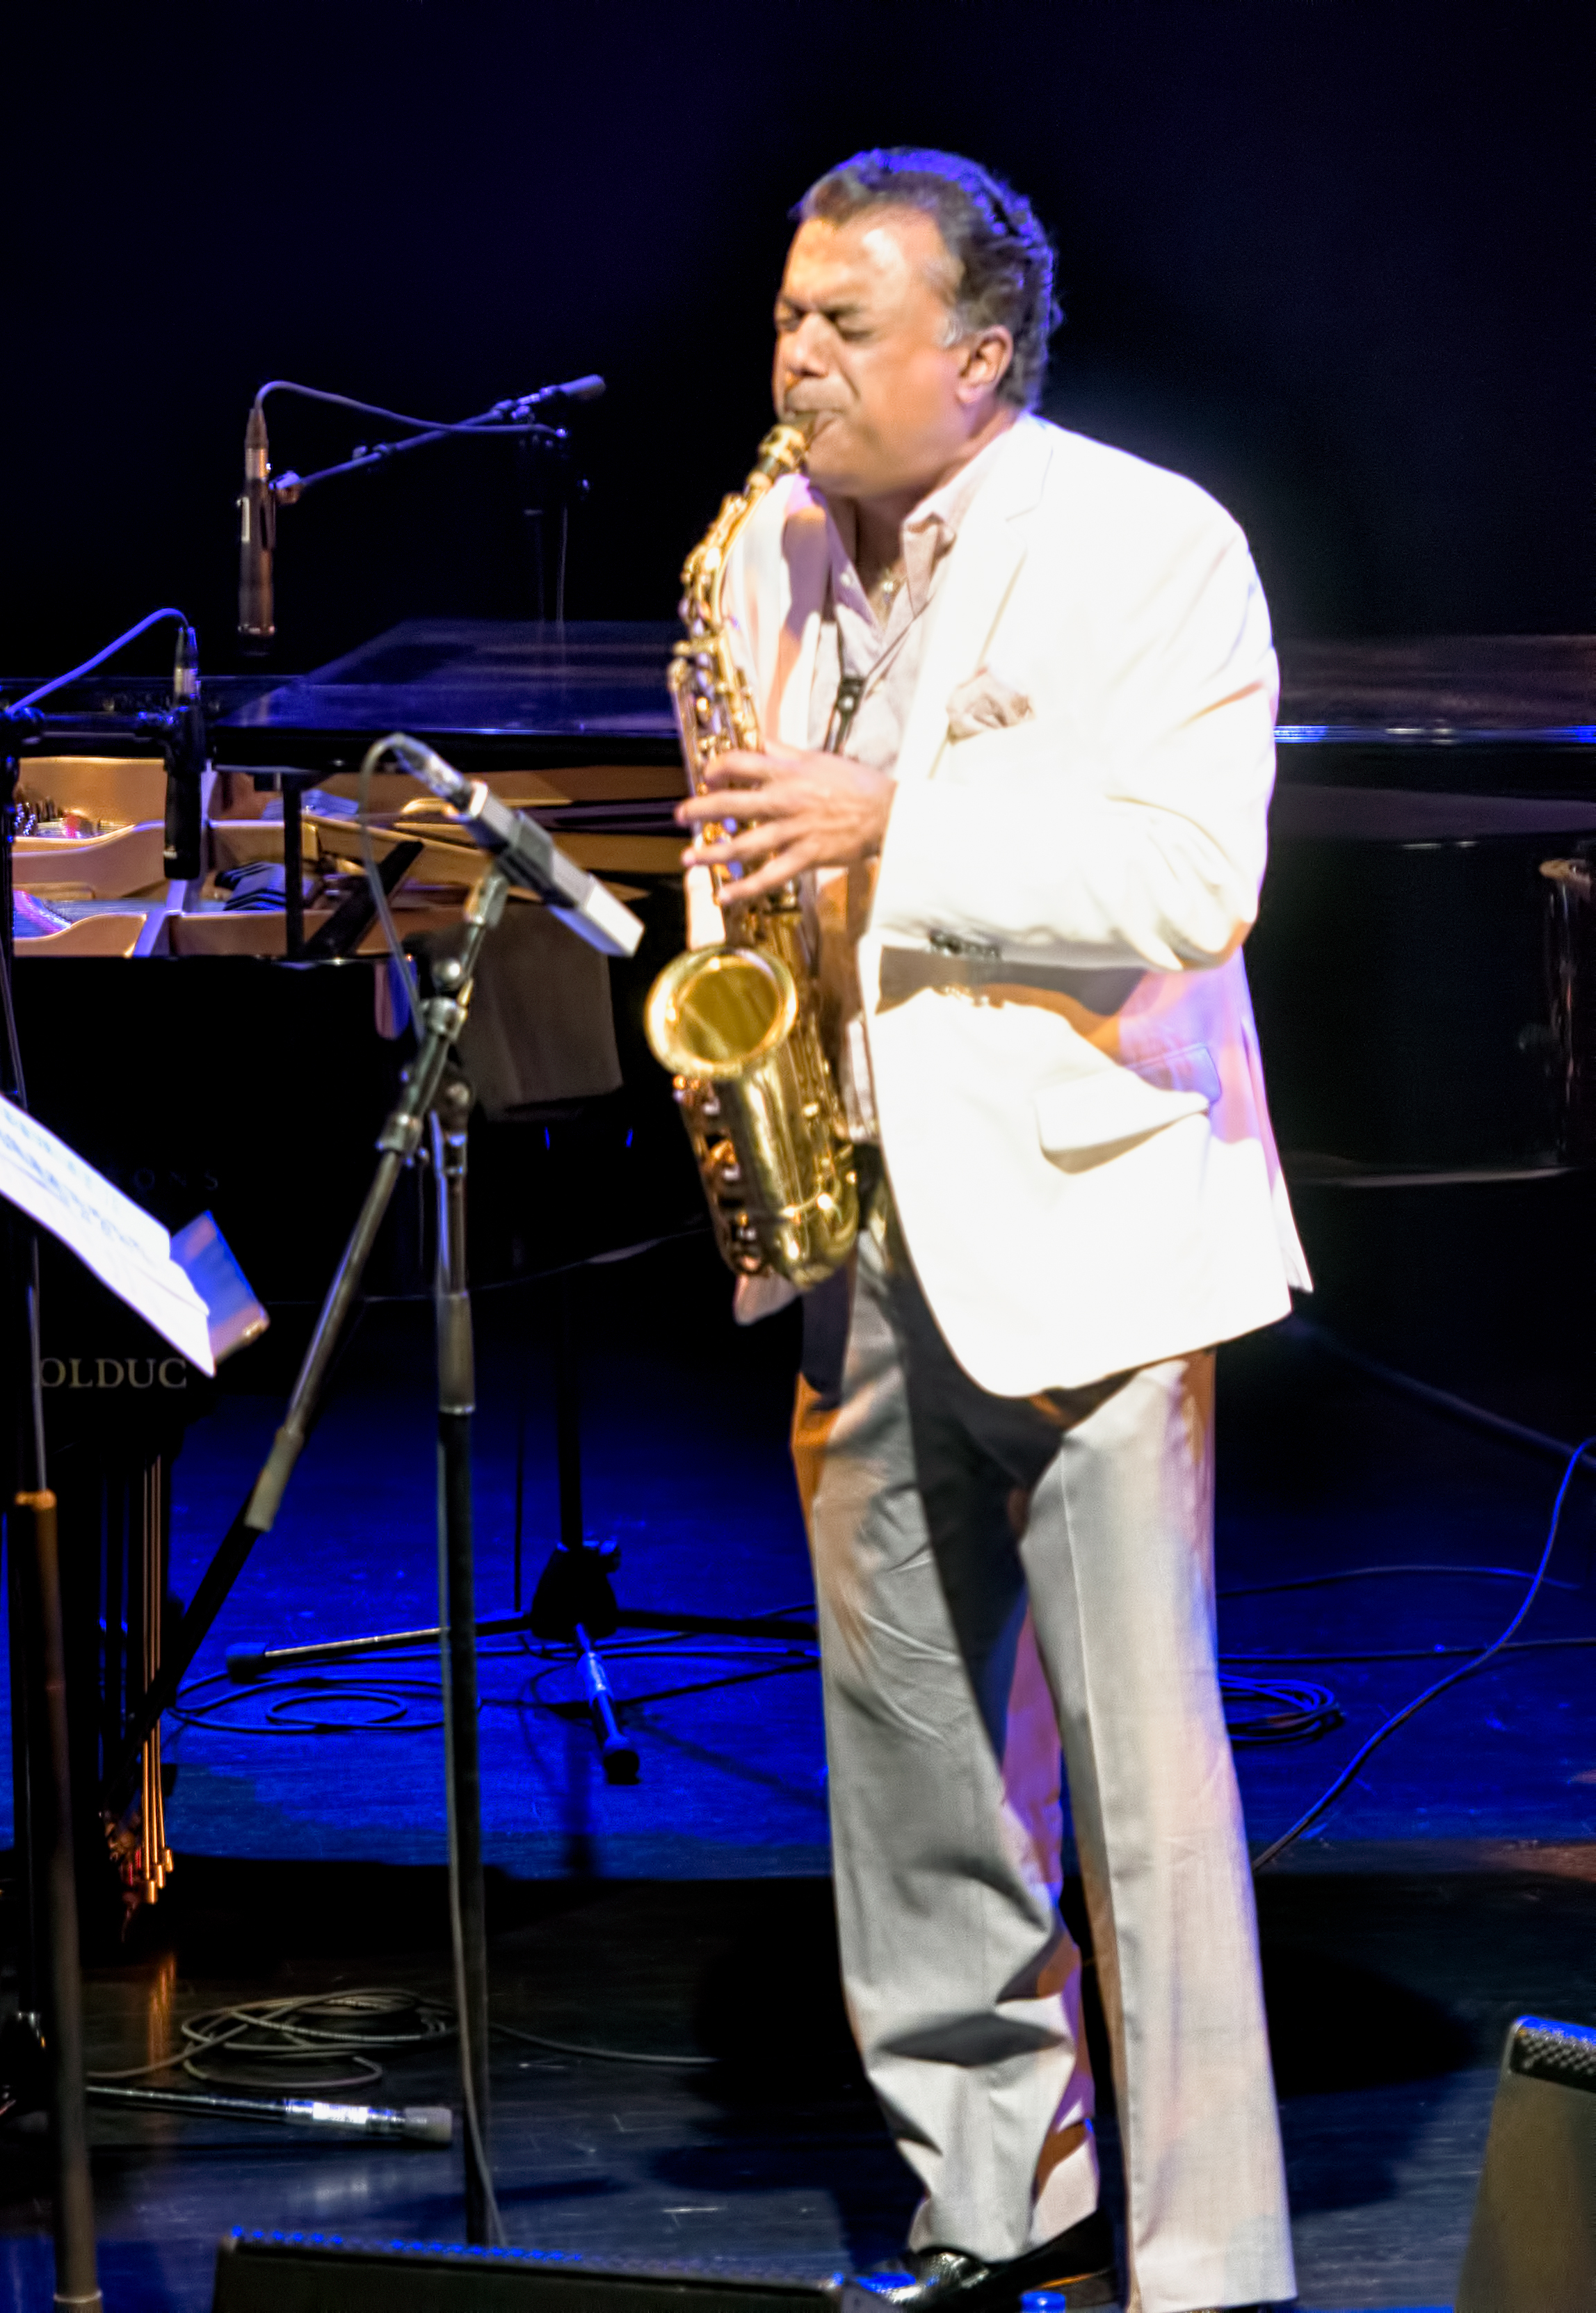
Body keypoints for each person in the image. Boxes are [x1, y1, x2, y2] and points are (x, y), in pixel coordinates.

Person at [672, 153, 1306, 2313]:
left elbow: (1187, 881)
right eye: (787, 317)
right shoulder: (760, 546)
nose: (798, 359)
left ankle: (1207, 2258)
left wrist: (897, 832)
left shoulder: (1149, 541)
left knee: (1142, 1784)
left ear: (980, 355)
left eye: (848, 325)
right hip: (853, 1221)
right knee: (918, 1761)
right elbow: (744, 815)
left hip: (1090, 1231)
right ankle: (990, 2191)